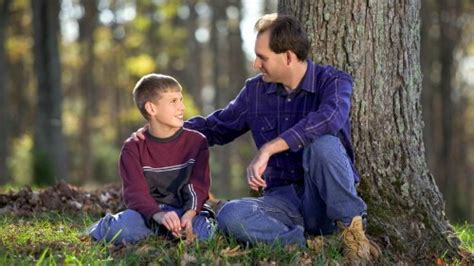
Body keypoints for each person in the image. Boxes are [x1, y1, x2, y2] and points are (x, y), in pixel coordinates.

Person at [134, 13, 373, 262]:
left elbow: (328, 119)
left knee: (323, 145)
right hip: (281, 203)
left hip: (325, 202)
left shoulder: (333, 81)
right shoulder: (255, 92)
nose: (256, 64)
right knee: (230, 214)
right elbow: (216, 127)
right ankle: (306, 243)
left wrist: (269, 148)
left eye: (262, 57)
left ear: (289, 56)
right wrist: (160, 130)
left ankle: (352, 236)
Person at [89, 73, 216, 245]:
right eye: (173, 101)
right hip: (150, 214)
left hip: (187, 211)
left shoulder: (197, 142)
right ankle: (105, 227)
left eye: (181, 99)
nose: (182, 107)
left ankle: (167, 233)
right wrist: (159, 215)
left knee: (204, 234)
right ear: (151, 109)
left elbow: (199, 186)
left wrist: (190, 213)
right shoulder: (133, 148)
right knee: (121, 229)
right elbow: (135, 193)